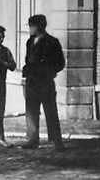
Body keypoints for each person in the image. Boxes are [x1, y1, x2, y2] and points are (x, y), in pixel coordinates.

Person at [22, 14, 65, 151]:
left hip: (45, 83)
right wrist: (26, 73)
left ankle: (56, 141)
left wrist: (48, 72)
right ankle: (32, 140)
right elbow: (27, 61)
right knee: (31, 112)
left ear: (39, 27)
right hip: (31, 83)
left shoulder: (52, 42)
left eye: (31, 26)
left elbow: (60, 63)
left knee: (50, 112)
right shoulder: (29, 42)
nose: (29, 29)